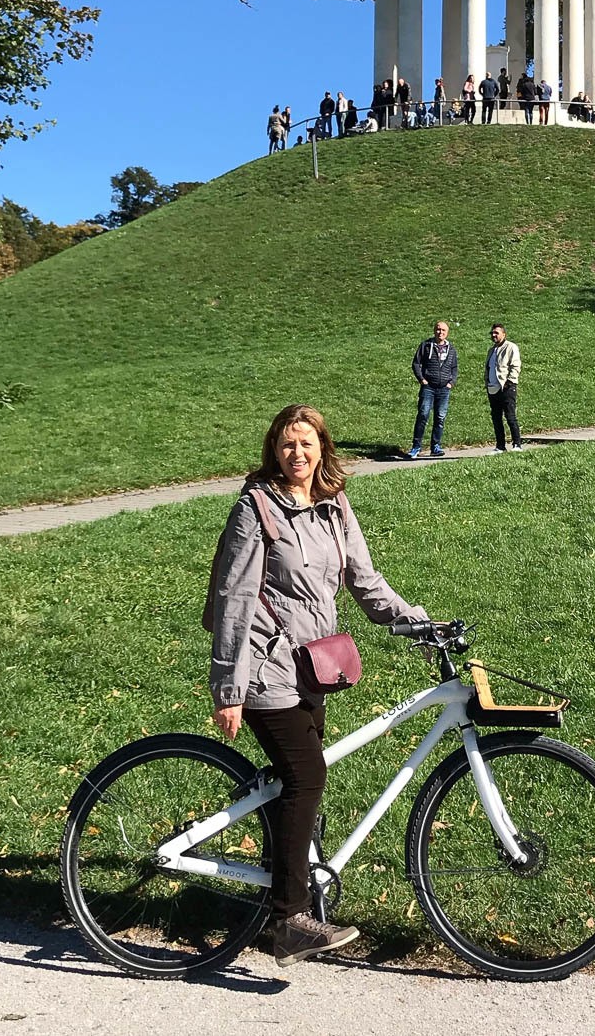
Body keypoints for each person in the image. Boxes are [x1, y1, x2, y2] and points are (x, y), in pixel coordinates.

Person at [209, 404, 428, 966]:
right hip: (262, 667)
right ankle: (288, 921)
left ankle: (286, 899)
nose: (296, 454)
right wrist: (229, 689)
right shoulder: (256, 509)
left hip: (310, 667)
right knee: (307, 776)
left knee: (294, 784)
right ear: (273, 450)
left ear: (322, 448)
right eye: (286, 445)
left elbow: (364, 580)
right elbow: (234, 601)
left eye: (306, 444)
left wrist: (419, 622)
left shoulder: (333, 505)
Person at [407, 320, 458, 459]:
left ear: (447, 333)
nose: (440, 332)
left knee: (440, 418)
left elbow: (454, 368)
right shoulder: (426, 346)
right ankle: (416, 447)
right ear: (434, 330)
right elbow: (416, 363)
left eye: (443, 330)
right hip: (428, 387)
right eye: (438, 329)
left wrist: (451, 383)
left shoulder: (451, 349)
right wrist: (422, 379)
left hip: (444, 389)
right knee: (423, 415)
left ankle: (435, 446)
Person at [484, 322, 523, 452]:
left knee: (510, 416)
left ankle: (517, 444)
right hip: (493, 388)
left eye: (496, 333)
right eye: (492, 333)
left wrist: (509, 382)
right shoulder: (492, 350)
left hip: (506, 388)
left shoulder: (511, 347)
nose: (493, 335)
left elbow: (515, 366)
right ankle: (500, 446)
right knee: (496, 418)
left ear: (503, 334)